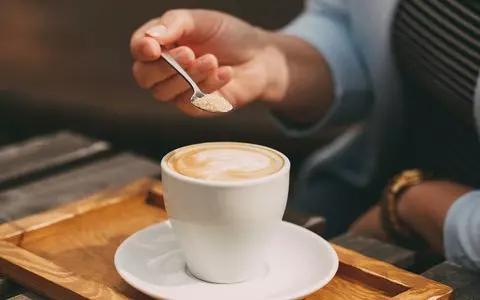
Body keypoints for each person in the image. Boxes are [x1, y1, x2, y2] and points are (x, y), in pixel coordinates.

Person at [130, 0, 480, 272]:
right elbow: (351, 22)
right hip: (366, 188)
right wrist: (272, 62)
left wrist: (415, 208)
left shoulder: (412, 208)